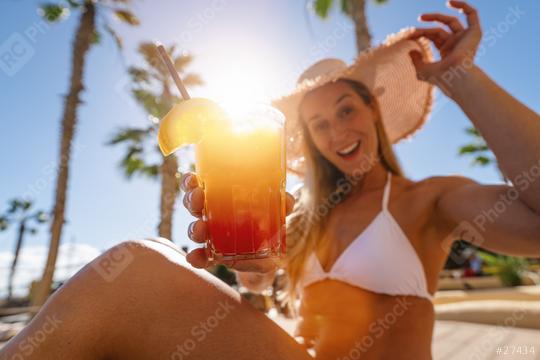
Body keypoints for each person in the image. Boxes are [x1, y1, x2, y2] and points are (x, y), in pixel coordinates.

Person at [2, 1, 539, 359]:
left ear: (374, 113)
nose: (337, 131)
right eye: (318, 124)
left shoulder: (428, 200)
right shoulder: (301, 217)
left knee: (137, 268)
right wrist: (254, 266)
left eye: (347, 110)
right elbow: (264, 291)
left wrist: (461, 79)